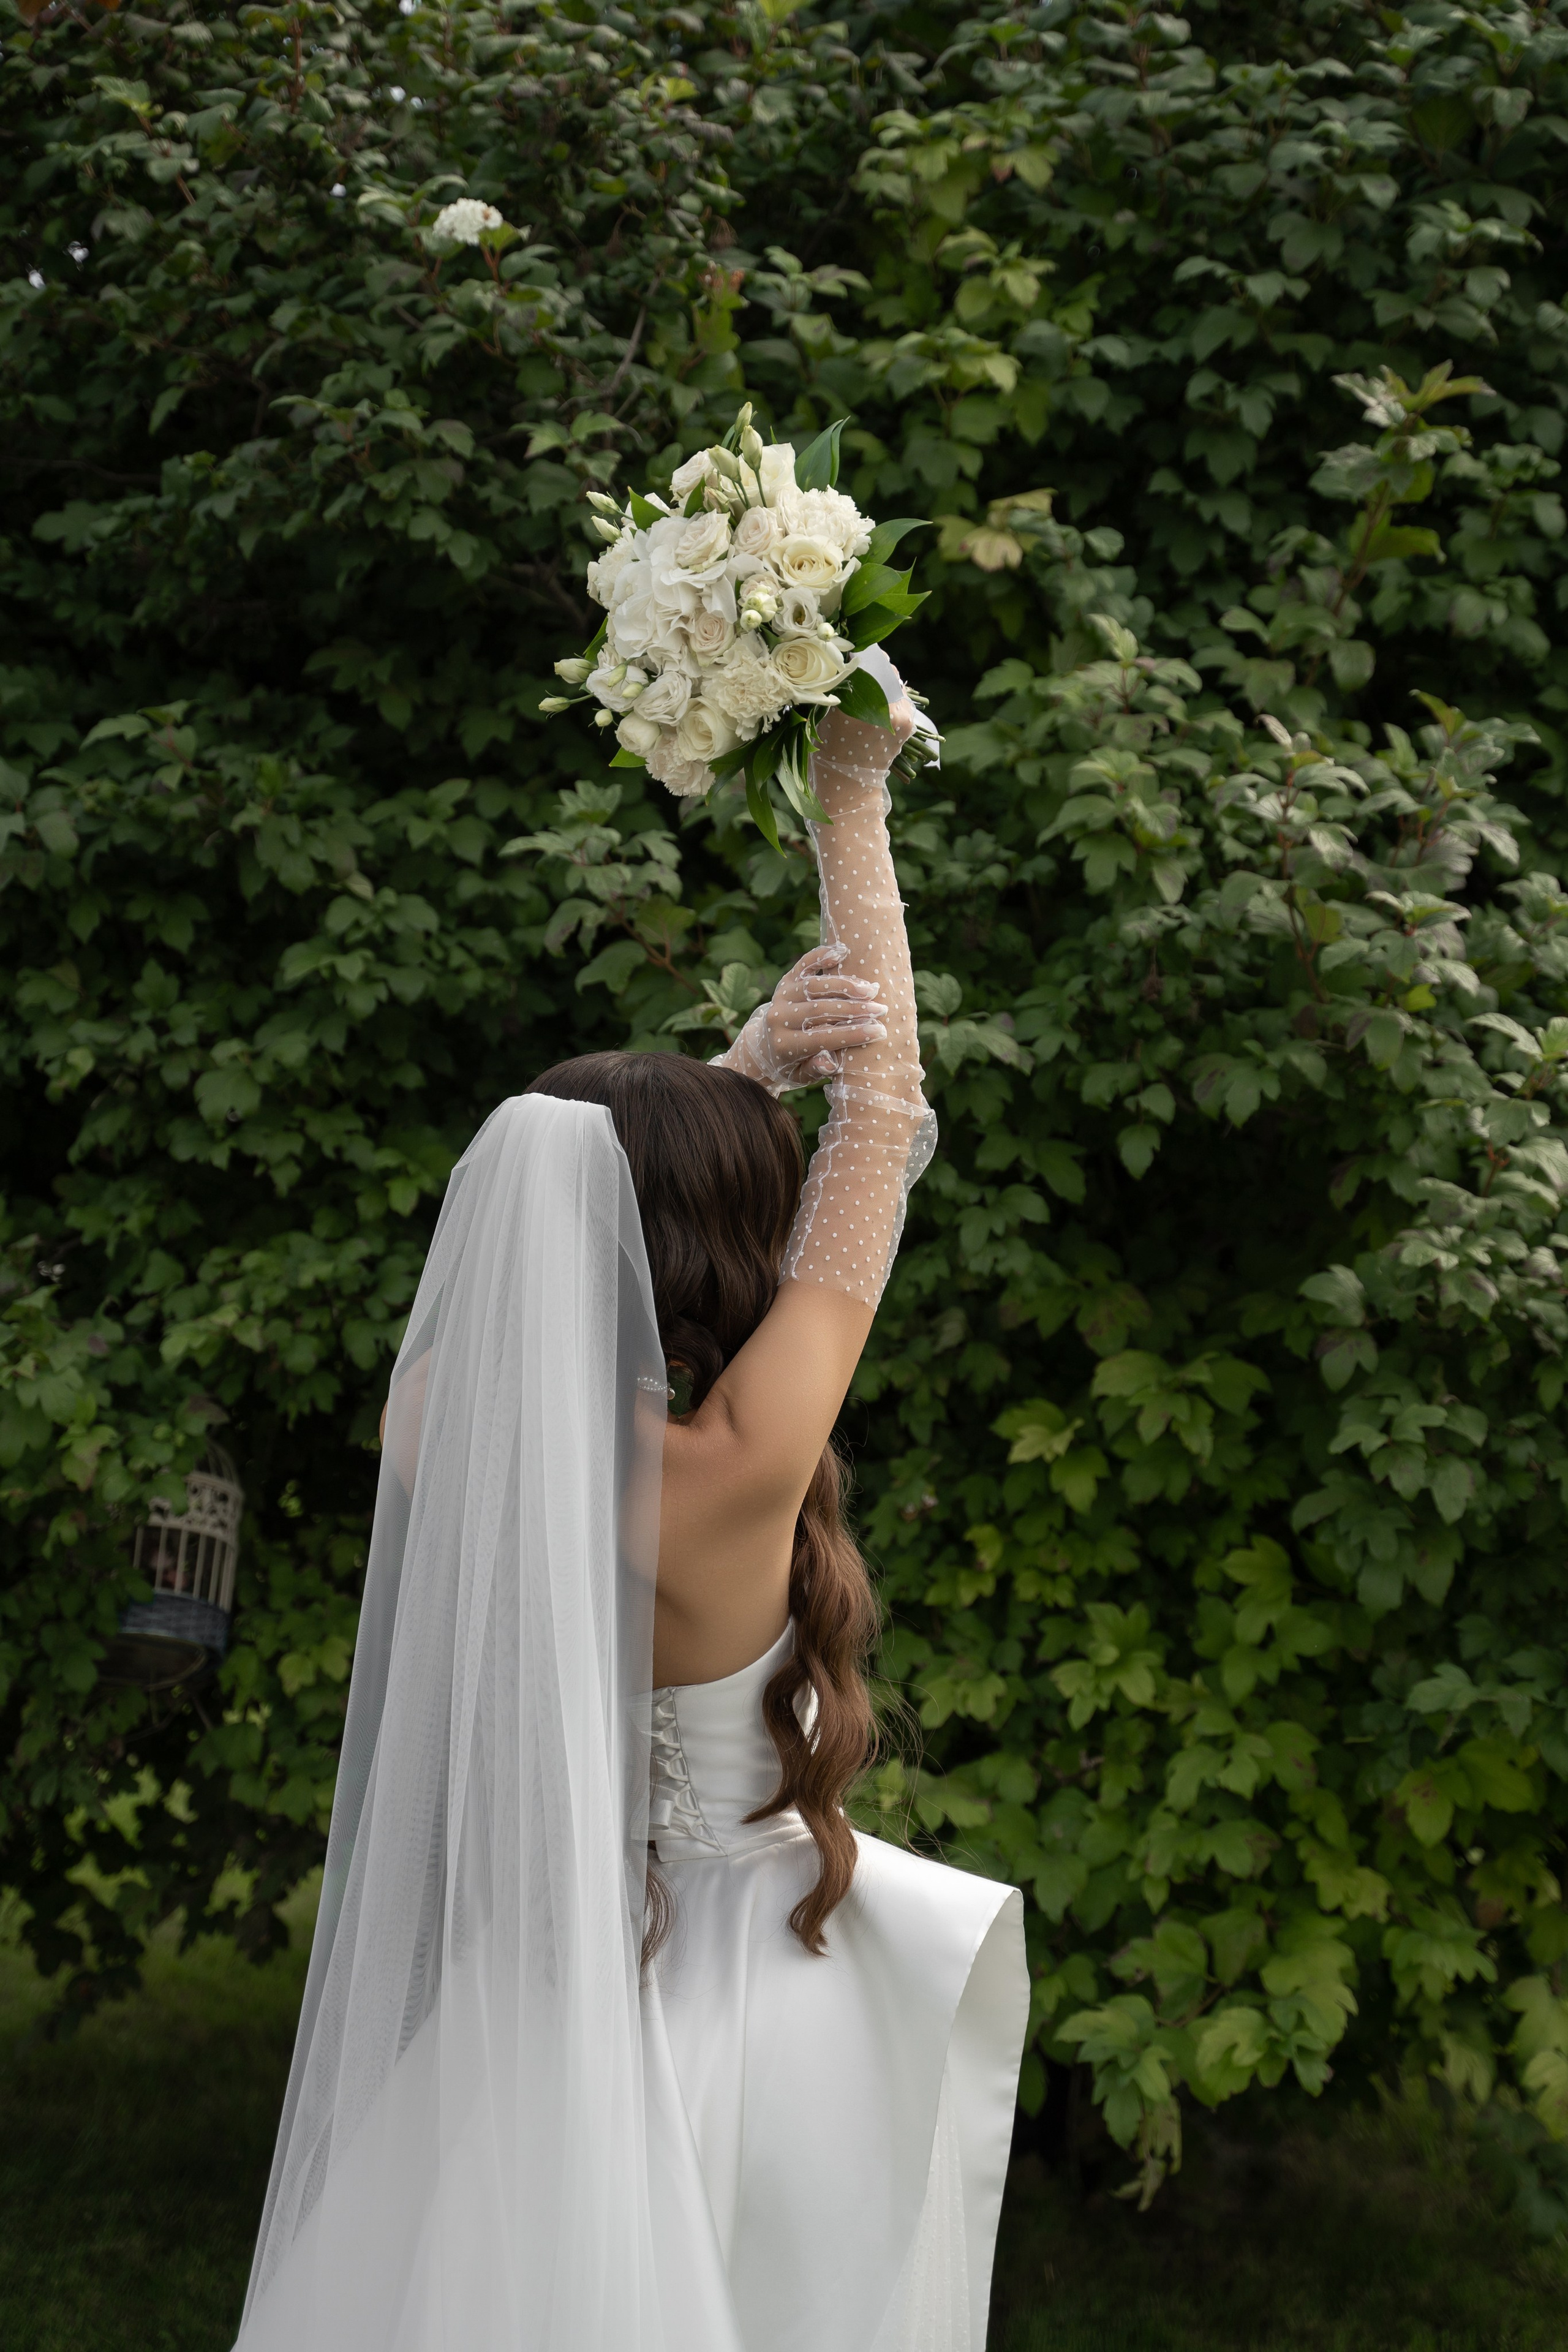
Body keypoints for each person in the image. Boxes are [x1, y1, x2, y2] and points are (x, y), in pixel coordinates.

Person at [232, 650, 1027, 2352]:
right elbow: (884, 1122)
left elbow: (576, 1243)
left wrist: (735, 1068)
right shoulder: (736, 1465)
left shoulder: (442, 1419)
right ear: (716, 1238)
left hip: (547, 1992)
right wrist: (851, 799)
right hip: (754, 1986)